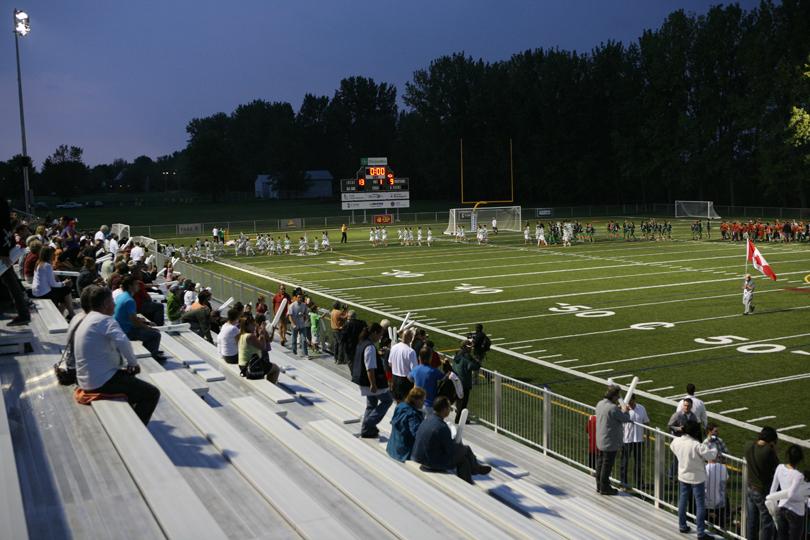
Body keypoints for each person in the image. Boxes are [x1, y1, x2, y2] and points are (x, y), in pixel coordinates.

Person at [74, 286, 160, 425]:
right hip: (99, 382)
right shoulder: (105, 320)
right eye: (112, 302)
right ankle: (137, 432)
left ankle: (131, 419)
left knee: (130, 380)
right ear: (106, 304)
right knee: (152, 394)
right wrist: (133, 363)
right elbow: (123, 341)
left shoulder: (88, 318)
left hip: (86, 378)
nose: (114, 304)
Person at [411, 396, 491, 484]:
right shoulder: (441, 427)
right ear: (444, 409)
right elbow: (450, 450)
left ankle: (469, 480)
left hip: (420, 458)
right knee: (466, 449)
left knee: (463, 460)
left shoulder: (427, 419)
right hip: (431, 463)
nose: (450, 410)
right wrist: (457, 444)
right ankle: (476, 469)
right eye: (449, 407)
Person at [670, 420, 717, 538]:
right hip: (697, 478)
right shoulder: (696, 445)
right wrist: (713, 446)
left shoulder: (677, 441)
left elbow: (672, 447)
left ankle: (682, 525)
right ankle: (700, 532)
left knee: (682, 501)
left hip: (683, 475)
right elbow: (711, 455)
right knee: (700, 504)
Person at [352, 322, 392, 439]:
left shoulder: (363, 343)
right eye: (380, 335)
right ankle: (368, 423)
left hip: (362, 380)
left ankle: (367, 430)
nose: (380, 338)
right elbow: (370, 367)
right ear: (374, 333)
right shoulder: (369, 347)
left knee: (371, 404)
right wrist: (373, 384)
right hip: (370, 382)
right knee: (387, 400)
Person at [114, 275, 164, 362]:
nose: (138, 286)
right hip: (126, 331)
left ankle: (152, 352)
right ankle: (153, 359)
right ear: (130, 286)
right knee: (155, 335)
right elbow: (135, 323)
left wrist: (144, 322)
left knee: (149, 331)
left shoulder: (121, 296)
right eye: (136, 284)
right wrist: (148, 327)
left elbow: (129, 317)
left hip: (119, 328)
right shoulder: (129, 300)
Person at [594, 385, 631, 495]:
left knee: (600, 463)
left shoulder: (600, 403)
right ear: (614, 396)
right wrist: (625, 410)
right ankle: (605, 487)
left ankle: (599, 485)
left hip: (600, 438)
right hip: (610, 441)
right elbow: (626, 418)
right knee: (607, 465)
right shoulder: (613, 408)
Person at [746, 427, 780, 540]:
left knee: (752, 520)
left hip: (750, 487)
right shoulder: (768, 452)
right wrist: (774, 450)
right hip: (761, 490)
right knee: (767, 522)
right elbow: (777, 466)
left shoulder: (748, 445)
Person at [0, 197, 30, 326]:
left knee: (11, 282)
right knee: (11, 282)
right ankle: (24, 314)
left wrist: (3, 252)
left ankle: (24, 314)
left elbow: (2, 229)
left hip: (3, 251)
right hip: (5, 248)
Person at [769, 445, 806, 540]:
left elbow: (772, 491)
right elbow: (791, 494)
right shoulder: (798, 476)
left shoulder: (779, 468)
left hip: (782, 509)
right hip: (796, 512)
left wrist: (775, 508)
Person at [32, 246, 75, 319]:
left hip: (37, 291)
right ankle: (71, 314)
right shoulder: (47, 265)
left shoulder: (38, 263)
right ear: (49, 255)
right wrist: (64, 282)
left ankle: (65, 314)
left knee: (64, 294)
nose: (54, 256)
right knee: (67, 290)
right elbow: (53, 284)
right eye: (53, 254)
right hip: (44, 293)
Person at [386, 386, 426, 462]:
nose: (424, 402)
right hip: (404, 453)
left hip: (392, 447)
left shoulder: (400, 406)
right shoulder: (413, 415)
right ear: (415, 400)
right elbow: (417, 434)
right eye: (422, 400)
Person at [237, 314, 280, 382]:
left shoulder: (241, 334)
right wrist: (262, 332)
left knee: (269, 365)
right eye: (252, 324)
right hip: (250, 367)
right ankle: (271, 386)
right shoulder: (250, 336)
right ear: (247, 325)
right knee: (276, 369)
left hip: (242, 364)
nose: (254, 326)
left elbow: (256, 344)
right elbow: (263, 347)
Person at [620, 395, 649, 490]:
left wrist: (647, 438)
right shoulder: (623, 410)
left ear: (634, 400)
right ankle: (623, 483)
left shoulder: (641, 408)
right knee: (624, 462)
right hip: (626, 440)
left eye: (631, 401)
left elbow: (646, 423)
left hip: (639, 440)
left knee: (639, 463)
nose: (629, 403)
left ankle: (639, 483)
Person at [451, 340, 480, 424]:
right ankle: (459, 419)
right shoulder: (466, 358)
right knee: (463, 402)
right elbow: (473, 366)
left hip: (456, 380)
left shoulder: (458, 355)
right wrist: (476, 361)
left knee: (459, 400)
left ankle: (459, 416)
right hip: (463, 382)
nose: (471, 349)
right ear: (465, 347)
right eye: (469, 347)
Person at [388, 329, 417, 402]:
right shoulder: (411, 351)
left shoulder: (394, 347)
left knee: (397, 402)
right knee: (406, 403)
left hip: (395, 378)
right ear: (410, 338)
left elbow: (390, 363)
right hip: (405, 381)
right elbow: (414, 370)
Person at [706, 450, 729, 530]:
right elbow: (726, 481)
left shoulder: (705, 468)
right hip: (720, 501)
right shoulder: (723, 467)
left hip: (707, 501)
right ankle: (721, 528)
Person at [288, 293, 310, 357]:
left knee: (304, 340)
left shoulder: (304, 305)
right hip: (295, 325)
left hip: (302, 325)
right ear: (296, 298)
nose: (300, 298)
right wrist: (293, 324)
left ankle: (305, 353)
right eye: (298, 297)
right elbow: (290, 316)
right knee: (294, 340)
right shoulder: (292, 306)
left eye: (301, 297)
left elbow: (306, 314)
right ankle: (294, 352)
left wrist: (304, 317)